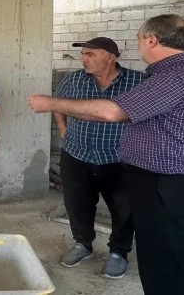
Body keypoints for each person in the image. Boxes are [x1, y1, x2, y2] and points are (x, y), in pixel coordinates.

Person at [27, 14, 184, 295]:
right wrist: (62, 121)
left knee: (164, 271)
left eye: (139, 38)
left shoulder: (172, 77)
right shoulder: (174, 74)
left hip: (168, 186)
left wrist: (49, 103)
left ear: (152, 40)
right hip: (162, 181)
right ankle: (83, 243)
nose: (138, 44)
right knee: (160, 265)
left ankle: (119, 252)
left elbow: (112, 112)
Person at [53, 37, 145, 279]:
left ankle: (118, 253)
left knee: (124, 208)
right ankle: (83, 244)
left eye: (90, 54)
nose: (83, 59)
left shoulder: (138, 81)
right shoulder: (74, 80)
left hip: (120, 158)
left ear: (110, 57)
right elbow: (58, 105)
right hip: (77, 154)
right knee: (77, 204)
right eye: (83, 54)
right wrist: (62, 127)